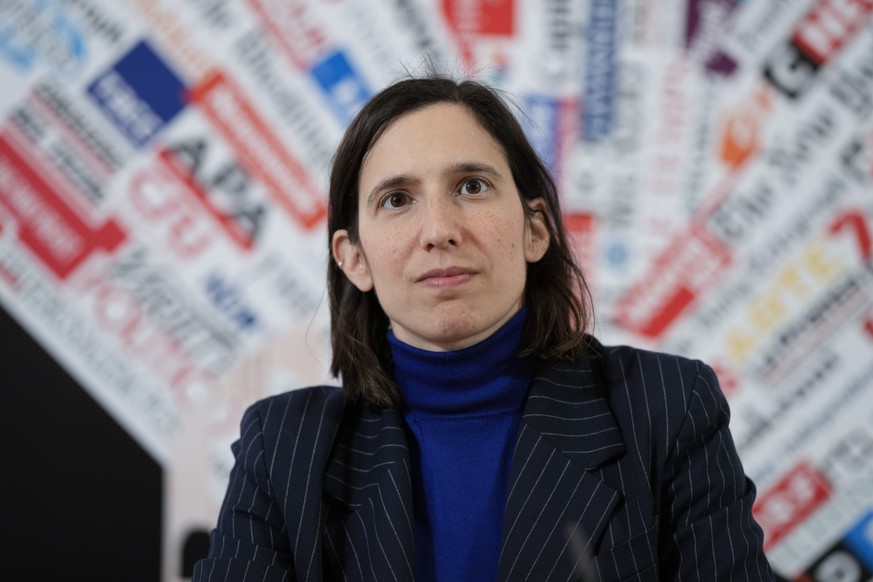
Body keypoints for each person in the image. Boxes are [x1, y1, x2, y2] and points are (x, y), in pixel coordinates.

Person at [193, 76, 774, 581]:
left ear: (535, 229)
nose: (439, 229)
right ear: (354, 258)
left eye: (471, 186)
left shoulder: (668, 409)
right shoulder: (282, 449)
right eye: (397, 199)